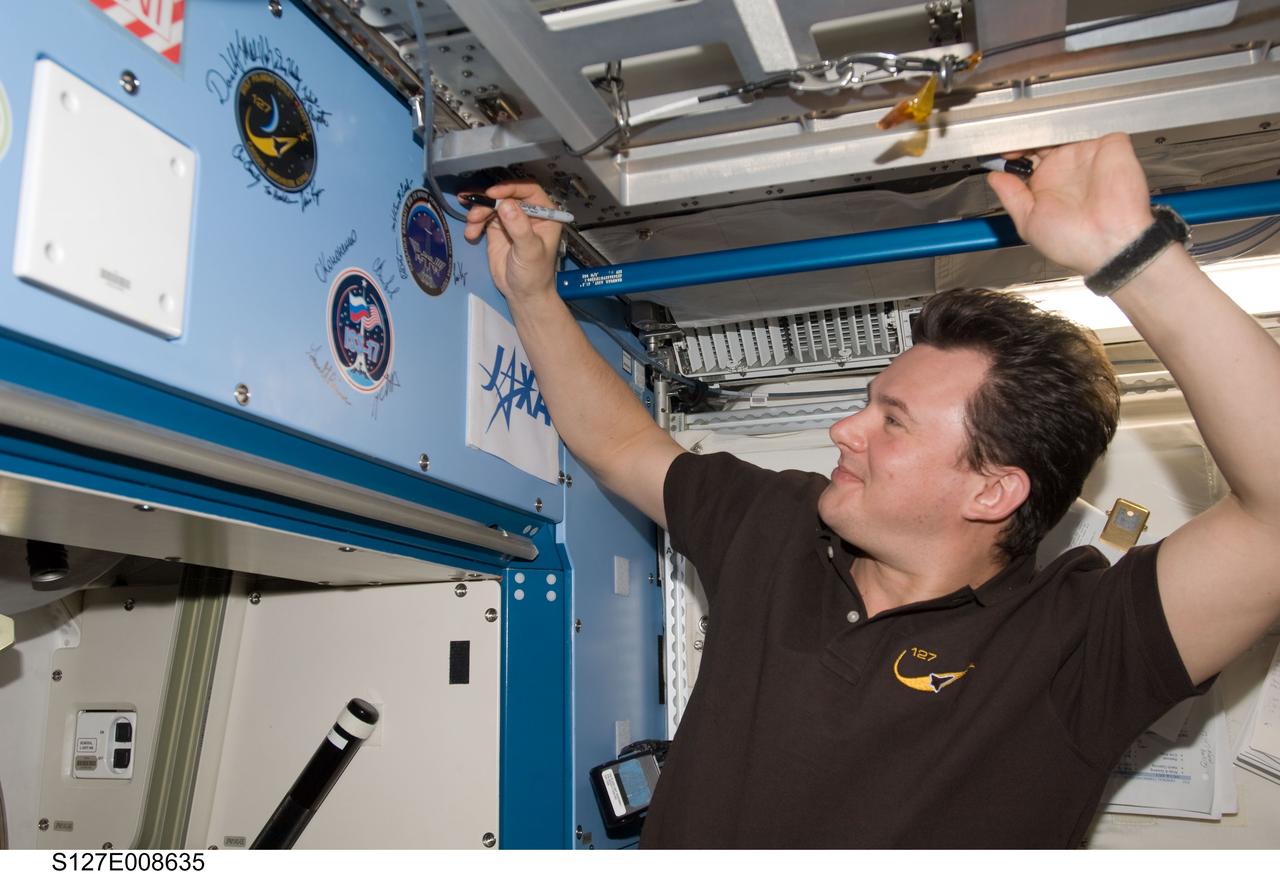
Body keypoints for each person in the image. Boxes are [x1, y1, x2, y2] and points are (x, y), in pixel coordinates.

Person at [462, 132, 1280, 848]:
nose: (844, 433)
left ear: (993, 491)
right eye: (867, 404)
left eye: (892, 422)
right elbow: (621, 443)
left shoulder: (1076, 646)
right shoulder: (780, 525)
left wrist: (1129, 253)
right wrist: (532, 292)